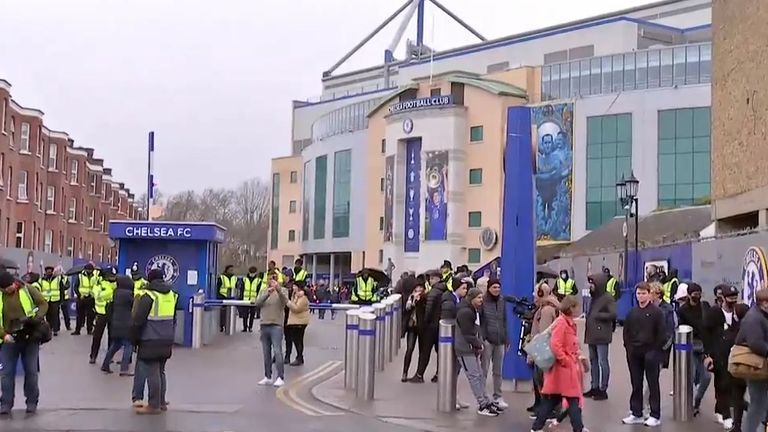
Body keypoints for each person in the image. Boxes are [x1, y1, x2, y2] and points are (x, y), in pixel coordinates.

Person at [530, 295, 590, 432]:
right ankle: (578, 428)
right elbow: (556, 344)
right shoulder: (563, 323)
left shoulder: (566, 322)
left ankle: (537, 427)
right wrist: (566, 360)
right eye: (576, 307)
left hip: (562, 369)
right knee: (573, 398)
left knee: (553, 400)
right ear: (571, 308)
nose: (578, 310)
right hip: (564, 368)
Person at [130, 269, 178, 415]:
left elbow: (138, 321)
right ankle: (162, 402)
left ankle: (153, 405)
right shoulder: (172, 295)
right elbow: (174, 318)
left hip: (150, 339)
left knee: (152, 372)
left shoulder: (148, 296)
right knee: (161, 371)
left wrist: (134, 340)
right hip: (166, 339)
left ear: (150, 280)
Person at [0, 271, 48, 415]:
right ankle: (6, 404)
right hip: (9, 338)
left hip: (29, 336)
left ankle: (32, 402)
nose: (10, 288)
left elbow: (43, 303)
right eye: (6, 288)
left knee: (31, 372)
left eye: (11, 285)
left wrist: (36, 318)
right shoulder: (1, 295)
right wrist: (4, 335)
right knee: (6, 373)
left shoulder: (27, 289)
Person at [621, 282, 666, 427]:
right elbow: (626, 332)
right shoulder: (632, 312)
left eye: (643, 293)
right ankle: (636, 412)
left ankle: (655, 414)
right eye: (638, 293)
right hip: (634, 353)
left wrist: (654, 351)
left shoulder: (657, 312)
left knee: (653, 384)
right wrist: (629, 348)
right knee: (636, 383)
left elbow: (661, 334)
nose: (641, 296)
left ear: (649, 294)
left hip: (651, 353)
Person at [702, 284, 746, 431]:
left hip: (735, 355)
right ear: (723, 298)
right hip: (718, 355)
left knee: (734, 385)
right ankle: (725, 414)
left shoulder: (740, 312)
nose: (733, 300)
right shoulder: (714, 313)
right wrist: (707, 355)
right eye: (730, 298)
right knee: (722, 384)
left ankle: (721, 410)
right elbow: (706, 335)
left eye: (735, 297)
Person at [455, 288, 499, 417]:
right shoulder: (466, 312)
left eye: (481, 297)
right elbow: (468, 333)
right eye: (479, 298)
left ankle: (485, 400)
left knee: (478, 375)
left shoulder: (472, 310)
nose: (481, 300)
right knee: (474, 376)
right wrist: (478, 344)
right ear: (472, 298)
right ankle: (482, 404)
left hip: (470, 348)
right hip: (465, 349)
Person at [733, 288, 768, 432]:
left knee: (761, 402)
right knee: (758, 403)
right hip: (755, 365)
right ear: (764, 303)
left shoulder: (761, 315)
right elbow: (755, 343)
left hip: (760, 363)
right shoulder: (753, 318)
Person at [678, 282, 711, 416]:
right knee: (690, 376)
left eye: (699, 294)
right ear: (689, 295)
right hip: (690, 345)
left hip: (704, 346)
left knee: (707, 377)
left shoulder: (705, 307)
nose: (697, 297)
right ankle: (689, 403)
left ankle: (697, 400)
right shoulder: (683, 310)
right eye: (694, 294)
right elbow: (681, 328)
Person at [528, 281, 560, 418]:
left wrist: (533, 353)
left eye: (536, 293)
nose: (534, 296)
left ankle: (549, 410)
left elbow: (543, 335)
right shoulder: (550, 307)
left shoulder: (546, 311)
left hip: (544, 353)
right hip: (548, 352)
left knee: (543, 380)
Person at [583, 272, 617, 400]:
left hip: (602, 334)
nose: (590, 285)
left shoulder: (608, 298)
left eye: (592, 283)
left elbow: (613, 314)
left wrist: (598, 316)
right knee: (593, 361)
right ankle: (594, 386)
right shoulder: (594, 297)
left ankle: (603, 389)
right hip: (591, 333)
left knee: (603, 361)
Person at [412, 270, 446, 383]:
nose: (430, 281)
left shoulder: (434, 292)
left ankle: (419, 374)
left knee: (425, 352)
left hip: (431, 327)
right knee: (440, 352)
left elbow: (429, 309)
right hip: (440, 325)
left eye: (431, 279)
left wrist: (424, 323)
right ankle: (439, 373)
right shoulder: (444, 290)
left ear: (437, 279)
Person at [480, 278, 509, 409]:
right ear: (489, 288)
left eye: (498, 287)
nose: (497, 290)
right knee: (484, 369)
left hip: (500, 340)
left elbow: (504, 320)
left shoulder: (502, 301)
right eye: (494, 287)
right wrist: (483, 338)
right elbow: (480, 321)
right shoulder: (483, 302)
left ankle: (498, 396)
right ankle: (482, 396)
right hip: (487, 340)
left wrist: (506, 338)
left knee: (498, 370)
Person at [255, 278, 289, 387]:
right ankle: (267, 376)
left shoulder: (283, 290)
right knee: (266, 352)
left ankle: (280, 377)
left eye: (274, 279)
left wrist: (278, 289)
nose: (272, 282)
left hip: (276, 325)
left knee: (277, 351)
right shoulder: (263, 291)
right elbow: (258, 303)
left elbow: (285, 302)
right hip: (264, 323)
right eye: (270, 279)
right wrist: (267, 294)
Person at [101, 275, 134, 376]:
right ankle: (124, 369)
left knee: (116, 344)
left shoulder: (116, 292)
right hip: (126, 323)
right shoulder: (129, 294)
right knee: (128, 345)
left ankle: (105, 364)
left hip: (116, 322)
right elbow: (133, 306)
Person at [90, 267, 117, 364]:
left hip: (112, 313)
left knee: (112, 336)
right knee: (97, 336)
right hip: (101, 313)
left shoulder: (115, 284)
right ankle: (93, 356)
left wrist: (107, 294)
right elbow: (97, 295)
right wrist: (110, 293)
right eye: (111, 276)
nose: (113, 278)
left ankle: (110, 356)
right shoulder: (99, 284)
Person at [402, 282, 426, 382]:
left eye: (421, 289)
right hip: (412, 327)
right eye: (417, 289)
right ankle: (405, 372)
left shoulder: (425, 298)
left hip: (421, 328)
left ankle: (419, 373)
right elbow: (406, 310)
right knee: (410, 349)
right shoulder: (410, 298)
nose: (418, 291)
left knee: (422, 351)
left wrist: (421, 301)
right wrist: (413, 302)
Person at [285, 282, 310, 366]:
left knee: (298, 339)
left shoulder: (303, 298)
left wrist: (288, 303)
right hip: (295, 321)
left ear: (299, 287)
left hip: (300, 322)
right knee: (296, 339)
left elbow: (296, 308)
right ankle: (299, 357)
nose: (293, 287)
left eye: (295, 286)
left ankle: (299, 357)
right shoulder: (295, 296)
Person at [73, 263, 99, 335]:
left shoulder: (95, 276)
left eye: (90, 270)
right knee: (79, 316)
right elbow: (76, 287)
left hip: (91, 298)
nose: (89, 271)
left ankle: (89, 330)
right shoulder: (80, 276)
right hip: (81, 298)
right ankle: (77, 330)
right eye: (88, 270)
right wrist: (79, 295)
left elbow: (97, 286)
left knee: (90, 316)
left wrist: (93, 294)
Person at [38, 266, 65, 336]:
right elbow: (39, 290)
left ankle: (55, 330)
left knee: (55, 315)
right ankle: (49, 329)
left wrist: (62, 300)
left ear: (52, 271)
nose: (48, 272)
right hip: (46, 300)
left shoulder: (58, 279)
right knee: (48, 316)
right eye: (47, 271)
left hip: (55, 300)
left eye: (50, 270)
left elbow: (62, 290)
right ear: (45, 272)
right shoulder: (41, 280)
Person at [217, 265, 238, 333]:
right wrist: (219, 296)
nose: (231, 271)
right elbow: (218, 287)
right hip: (223, 296)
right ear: (227, 270)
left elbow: (236, 287)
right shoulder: (222, 277)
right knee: (223, 313)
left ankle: (228, 326)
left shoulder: (234, 278)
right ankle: (221, 326)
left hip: (231, 297)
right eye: (230, 269)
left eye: (232, 270)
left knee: (230, 313)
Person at [240, 266, 261, 332]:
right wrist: (241, 298)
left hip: (253, 299)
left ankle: (250, 327)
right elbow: (242, 289)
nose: (252, 273)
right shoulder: (244, 279)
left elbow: (258, 290)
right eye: (251, 272)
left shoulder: (258, 280)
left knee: (252, 314)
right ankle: (245, 327)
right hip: (245, 299)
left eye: (253, 272)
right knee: (245, 315)